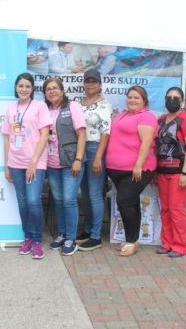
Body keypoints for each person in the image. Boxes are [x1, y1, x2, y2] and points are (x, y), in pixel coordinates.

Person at [2, 73, 51, 259]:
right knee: (22, 202)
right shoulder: (11, 108)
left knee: (33, 201)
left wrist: (33, 162)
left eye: (27, 86)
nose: (24, 89)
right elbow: (7, 137)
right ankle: (28, 237)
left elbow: (45, 135)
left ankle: (38, 240)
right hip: (15, 161)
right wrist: (7, 165)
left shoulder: (40, 106)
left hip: (35, 162)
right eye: (20, 86)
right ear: (16, 87)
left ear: (32, 89)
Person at [106, 86, 158, 257]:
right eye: (130, 97)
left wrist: (138, 165)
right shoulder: (122, 115)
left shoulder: (146, 117)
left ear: (144, 101)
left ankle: (131, 241)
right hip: (117, 170)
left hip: (136, 169)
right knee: (131, 202)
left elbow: (146, 142)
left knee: (124, 201)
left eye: (137, 97)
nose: (132, 100)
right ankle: (134, 239)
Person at [44, 77, 87, 256]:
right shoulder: (44, 109)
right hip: (52, 164)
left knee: (69, 200)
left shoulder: (73, 106)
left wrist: (78, 159)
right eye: (48, 89)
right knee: (59, 200)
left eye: (55, 88)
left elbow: (82, 134)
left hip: (71, 163)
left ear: (62, 91)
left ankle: (71, 238)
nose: (52, 91)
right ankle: (62, 234)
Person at [155, 86, 186, 258]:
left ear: (182, 101)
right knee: (165, 208)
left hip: (180, 171)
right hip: (163, 170)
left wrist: (185, 173)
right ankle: (167, 242)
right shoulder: (161, 120)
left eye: (176, 98)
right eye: (169, 97)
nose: (172, 100)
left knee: (176, 209)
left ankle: (180, 246)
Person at [76, 69, 112, 252]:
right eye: (88, 81)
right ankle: (88, 229)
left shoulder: (104, 105)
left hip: (94, 148)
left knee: (95, 194)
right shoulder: (78, 103)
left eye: (94, 81)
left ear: (99, 84)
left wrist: (98, 156)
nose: (90, 84)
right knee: (85, 193)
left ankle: (96, 236)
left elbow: (106, 132)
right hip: (79, 150)